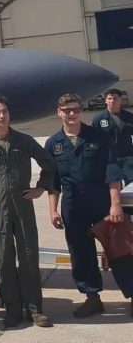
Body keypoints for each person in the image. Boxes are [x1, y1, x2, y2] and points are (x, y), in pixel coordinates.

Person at [0, 95, 56, 328]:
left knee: (28, 258)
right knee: (4, 263)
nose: (2, 116)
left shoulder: (24, 141)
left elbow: (48, 163)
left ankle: (35, 309)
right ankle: (13, 309)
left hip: (22, 207)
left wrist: (41, 188)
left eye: (5, 111)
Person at [46, 93, 133, 318]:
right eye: (67, 110)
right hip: (73, 206)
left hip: (102, 203)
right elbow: (52, 181)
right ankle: (92, 297)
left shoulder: (98, 136)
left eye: (75, 109)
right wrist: (53, 210)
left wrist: (116, 205)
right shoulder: (53, 144)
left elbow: (112, 171)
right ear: (59, 113)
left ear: (80, 110)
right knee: (81, 253)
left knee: (121, 251)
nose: (72, 114)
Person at [93, 88, 133, 184]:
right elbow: (93, 139)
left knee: (131, 183)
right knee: (113, 186)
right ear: (105, 100)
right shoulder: (99, 119)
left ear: (120, 99)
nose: (112, 101)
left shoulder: (129, 117)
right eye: (109, 98)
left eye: (115, 98)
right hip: (109, 159)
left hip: (128, 157)